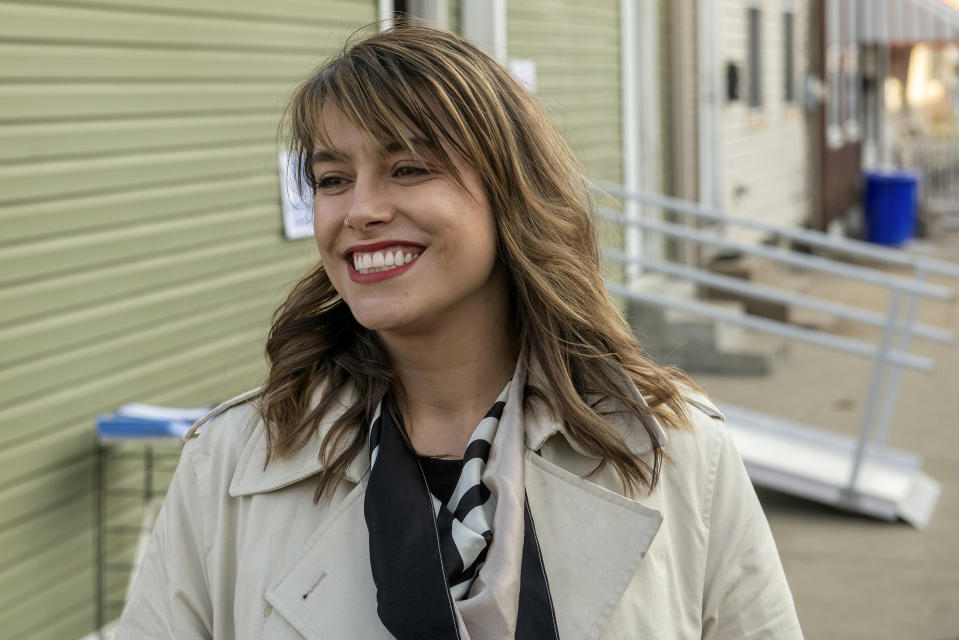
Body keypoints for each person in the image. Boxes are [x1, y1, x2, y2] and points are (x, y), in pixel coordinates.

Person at [116, 25, 803, 639]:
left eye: (408, 168)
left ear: (511, 190)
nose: (359, 211)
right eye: (331, 178)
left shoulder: (675, 450)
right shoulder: (231, 464)